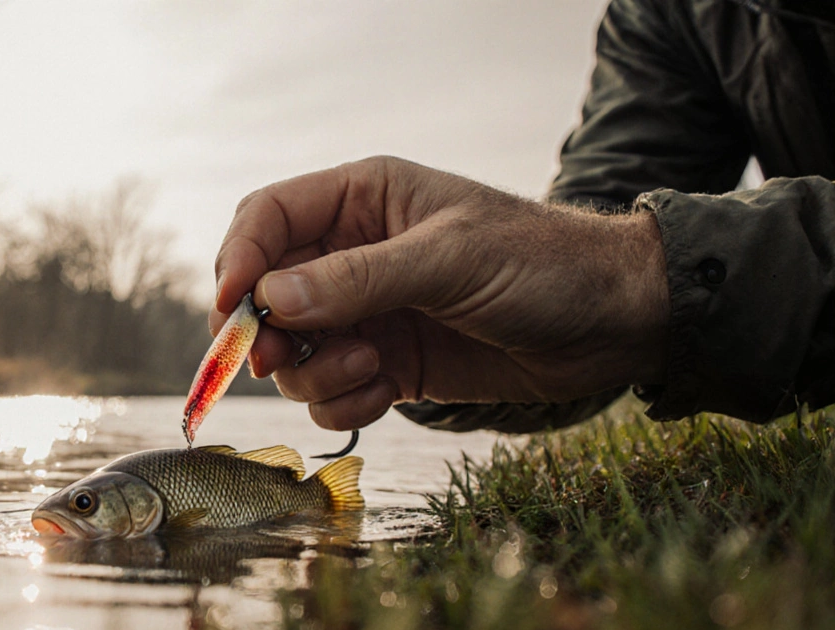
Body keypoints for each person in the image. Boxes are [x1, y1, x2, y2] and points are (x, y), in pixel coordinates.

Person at [210, 0, 835, 434]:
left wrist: (641, 280)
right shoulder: (663, 16)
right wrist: (425, 323)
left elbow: (636, 268)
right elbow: (597, 217)